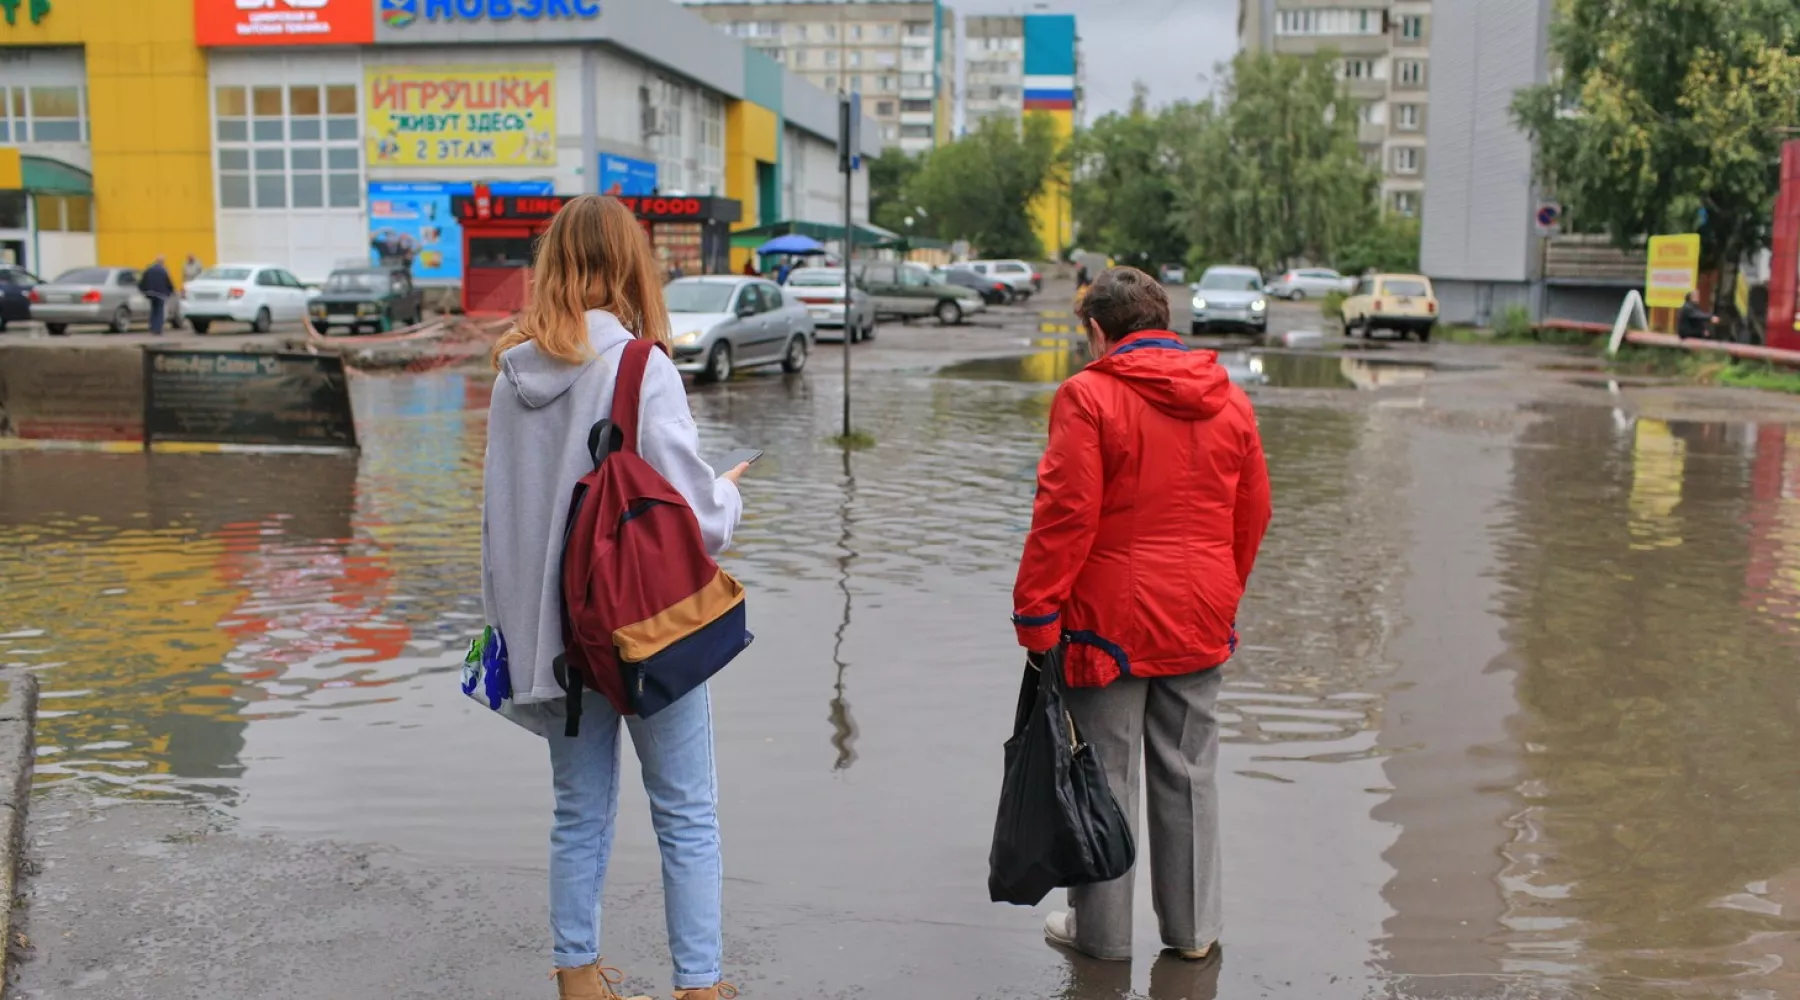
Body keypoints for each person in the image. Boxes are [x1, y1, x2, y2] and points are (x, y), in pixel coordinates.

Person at [480, 195, 749, 1000]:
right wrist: (728, 494)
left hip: (552, 635)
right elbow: (695, 521)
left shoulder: (509, 371)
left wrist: (505, 642)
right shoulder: (640, 367)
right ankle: (699, 986)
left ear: (552, 263)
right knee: (686, 812)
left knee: (578, 810)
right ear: (629, 263)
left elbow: (502, 519)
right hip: (639, 627)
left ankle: (579, 978)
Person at [1011, 266, 1272, 964]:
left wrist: (1036, 617)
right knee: (1190, 773)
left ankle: (1101, 937)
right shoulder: (1231, 401)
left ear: (1098, 330)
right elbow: (1254, 514)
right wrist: (1222, 590)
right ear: (1162, 322)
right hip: (1200, 616)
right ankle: (1193, 934)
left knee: (1105, 774)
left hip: (1109, 624)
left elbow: (1065, 516)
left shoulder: (1089, 397)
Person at [139, 255, 175, 335]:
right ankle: (158, 329)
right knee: (159, 311)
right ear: (162, 262)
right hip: (161, 294)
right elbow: (168, 282)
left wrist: (143, 290)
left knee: (154, 310)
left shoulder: (149, 269)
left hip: (151, 293)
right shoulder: (163, 271)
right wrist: (171, 291)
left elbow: (142, 280)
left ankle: (152, 327)